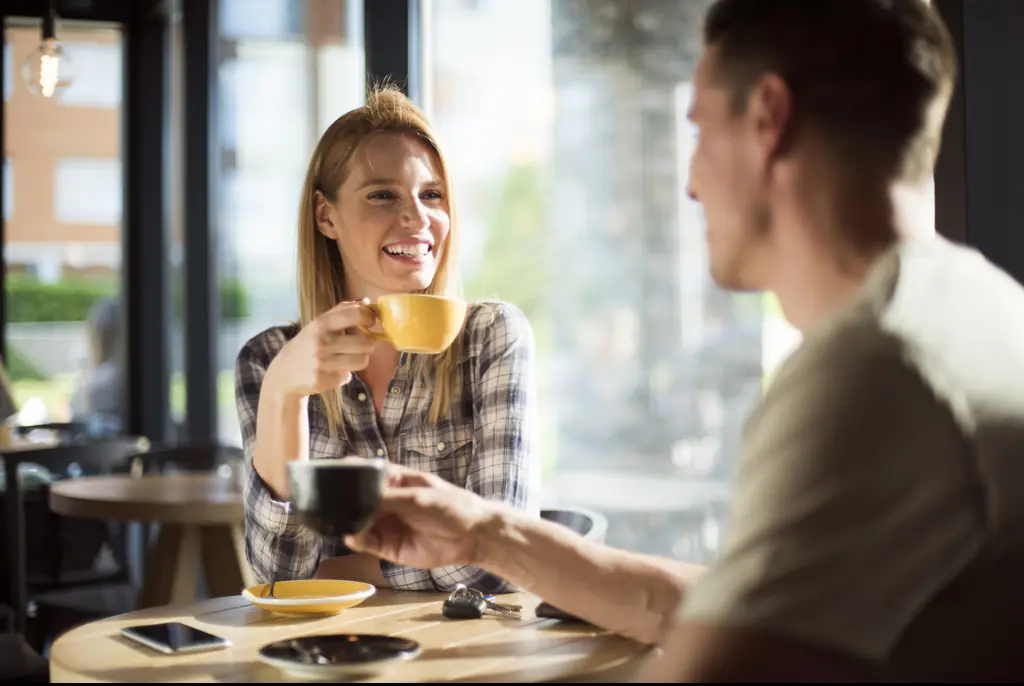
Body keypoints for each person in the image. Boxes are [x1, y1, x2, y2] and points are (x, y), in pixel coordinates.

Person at [344, 0, 1024, 681]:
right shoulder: (980, 312)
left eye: (698, 129)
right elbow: (730, 609)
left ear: (769, 118)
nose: (692, 183)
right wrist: (486, 534)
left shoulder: (871, 371)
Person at [234, 86, 541, 593]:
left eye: (432, 195)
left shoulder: (491, 338)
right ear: (326, 216)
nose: (417, 218)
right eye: (383, 195)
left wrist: (341, 571)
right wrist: (282, 395)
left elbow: (496, 563)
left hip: (467, 642)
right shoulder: (268, 359)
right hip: (332, 643)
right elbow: (280, 575)